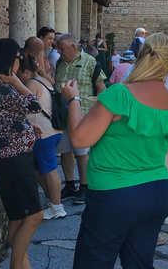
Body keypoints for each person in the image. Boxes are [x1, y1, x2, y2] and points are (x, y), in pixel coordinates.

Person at [62, 33, 168, 269]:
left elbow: (80, 138)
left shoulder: (121, 93)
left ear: (140, 56)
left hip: (114, 194)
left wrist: (74, 100)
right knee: (139, 264)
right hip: (157, 192)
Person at [0, 38, 44, 269]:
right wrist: (17, 81)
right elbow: (34, 105)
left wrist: (25, 125)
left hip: (10, 156)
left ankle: (22, 265)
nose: (20, 62)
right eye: (19, 58)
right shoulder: (3, 87)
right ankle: (17, 265)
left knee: (18, 219)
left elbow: (1, 116)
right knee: (35, 216)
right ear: (10, 60)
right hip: (13, 158)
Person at [54, 33, 107, 205]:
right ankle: (70, 185)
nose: (58, 51)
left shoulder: (90, 62)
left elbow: (101, 89)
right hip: (62, 115)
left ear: (72, 47)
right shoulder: (60, 63)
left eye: (61, 48)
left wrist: (100, 114)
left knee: (82, 153)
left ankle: (84, 186)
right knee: (65, 151)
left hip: (83, 114)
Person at [17, 53, 66, 220]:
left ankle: (57, 207)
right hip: (51, 132)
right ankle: (51, 201)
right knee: (39, 170)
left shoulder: (31, 83)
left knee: (50, 170)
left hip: (43, 134)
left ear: (25, 72)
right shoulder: (44, 80)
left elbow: (23, 107)